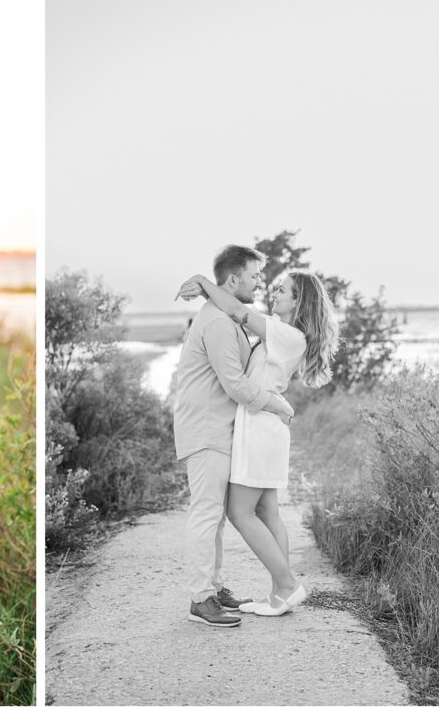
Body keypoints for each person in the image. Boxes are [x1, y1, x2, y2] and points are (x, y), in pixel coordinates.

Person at [176, 268, 339, 616]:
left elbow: (237, 312)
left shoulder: (286, 334)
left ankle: (287, 585)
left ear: (298, 301)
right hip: (265, 425)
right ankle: (280, 596)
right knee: (267, 512)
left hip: (260, 426)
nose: (274, 293)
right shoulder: (284, 335)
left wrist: (205, 284)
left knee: (239, 511)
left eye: (283, 290)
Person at [171, 245, 295, 628]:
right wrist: (277, 405)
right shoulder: (220, 322)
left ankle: (214, 588)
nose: (260, 282)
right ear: (233, 280)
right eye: (255, 276)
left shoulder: (227, 316)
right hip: (207, 429)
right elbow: (236, 386)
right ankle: (201, 599)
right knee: (207, 513)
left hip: (220, 430)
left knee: (216, 517)